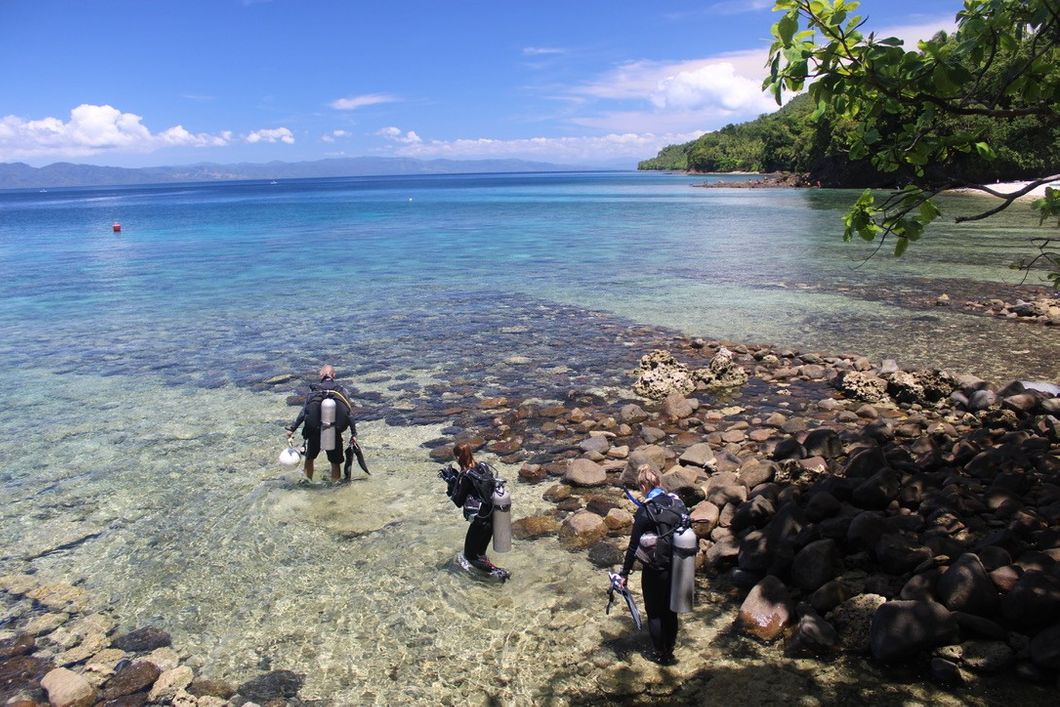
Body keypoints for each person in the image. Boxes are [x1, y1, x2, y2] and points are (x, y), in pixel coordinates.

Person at [618, 465, 680, 664]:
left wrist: (624, 573)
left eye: (640, 487)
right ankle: (670, 649)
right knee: (671, 612)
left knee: (654, 614)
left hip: (656, 570)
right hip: (679, 566)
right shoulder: (676, 503)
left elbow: (633, 545)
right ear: (659, 482)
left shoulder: (646, 511)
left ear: (644, 486)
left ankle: (660, 655)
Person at [444, 442, 510, 579]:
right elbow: (482, 489)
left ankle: (499, 572)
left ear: (458, 457)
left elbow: (458, 502)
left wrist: (451, 484)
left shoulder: (466, 476)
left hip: (480, 522)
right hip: (493, 516)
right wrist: (458, 481)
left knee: (470, 556)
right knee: (481, 554)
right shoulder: (484, 467)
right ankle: (487, 575)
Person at [285, 364, 357, 483]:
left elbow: (304, 413)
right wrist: (354, 434)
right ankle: (335, 487)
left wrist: (292, 429)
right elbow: (349, 414)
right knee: (335, 462)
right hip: (333, 432)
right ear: (334, 375)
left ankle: (308, 483)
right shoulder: (341, 390)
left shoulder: (314, 391)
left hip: (314, 432)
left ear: (321, 375)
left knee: (309, 459)